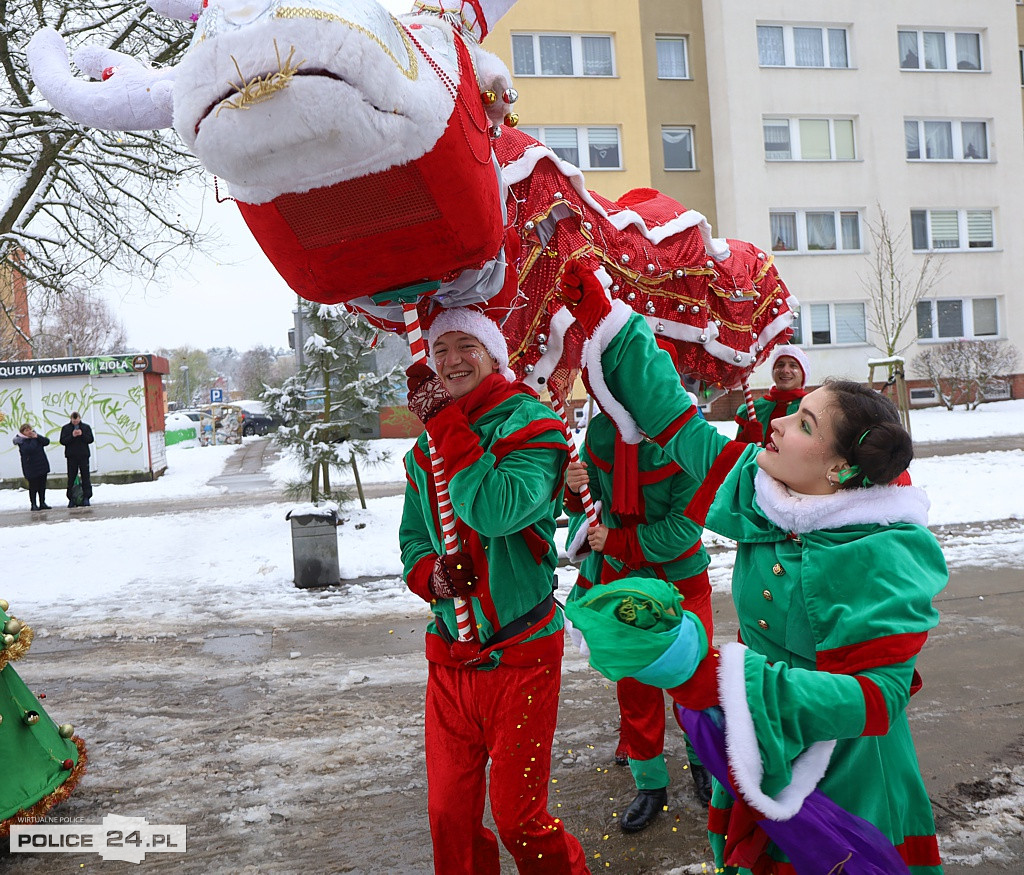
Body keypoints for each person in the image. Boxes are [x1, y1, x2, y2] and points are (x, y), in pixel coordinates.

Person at [556, 261, 947, 874]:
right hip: (762, 746)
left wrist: (722, 680)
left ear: (841, 469)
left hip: (843, 781)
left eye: (803, 423)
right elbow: (679, 427)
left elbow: (877, 698)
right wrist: (612, 324)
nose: (778, 421)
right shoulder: (772, 495)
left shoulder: (882, 551)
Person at [399, 306, 590, 875]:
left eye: (467, 346)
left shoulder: (533, 427)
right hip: (451, 659)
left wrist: (446, 425)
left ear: (493, 355)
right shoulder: (423, 452)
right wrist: (432, 575)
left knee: (518, 820)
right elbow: (412, 539)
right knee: (449, 818)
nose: (452, 360)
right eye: (440, 350)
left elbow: (495, 508)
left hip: (521, 656)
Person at [563, 372, 716, 832]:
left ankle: (704, 763)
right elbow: (585, 505)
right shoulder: (601, 432)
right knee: (634, 687)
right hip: (623, 581)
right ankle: (649, 783)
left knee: (694, 681)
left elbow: (684, 529)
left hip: (679, 583)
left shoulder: (688, 437)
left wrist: (619, 541)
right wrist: (573, 487)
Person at [734, 344, 810, 446]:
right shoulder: (755, 410)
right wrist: (744, 438)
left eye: (793, 365)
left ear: (803, 373)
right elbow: (737, 451)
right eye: (780, 365)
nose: (785, 370)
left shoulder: (812, 408)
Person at [12, 424, 52, 511]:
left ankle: (42, 502)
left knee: (42, 485)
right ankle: (33, 504)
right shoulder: (21, 441)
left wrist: (38, 437)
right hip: (30, 467)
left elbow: (46, 442)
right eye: (26, 430)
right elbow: (30, 449)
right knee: (33, 486)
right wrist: (34, 439)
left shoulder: (36, 437)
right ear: (22, 432)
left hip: (41, 464)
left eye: (30, 429)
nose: (29, 432)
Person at [59, 412, 94, 507]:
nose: (75, 422)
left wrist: (82, 434)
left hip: (83, 455)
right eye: (74, 420)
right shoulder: (66, 428)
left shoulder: (86, 427)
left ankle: (86, 496)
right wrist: (72, 436)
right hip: (72, 456)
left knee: (85, 477)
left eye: (77, 420)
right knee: (71, 478)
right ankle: (71, 498)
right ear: (71, 419)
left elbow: (90, 439)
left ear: (80, 418)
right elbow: (62, 441)